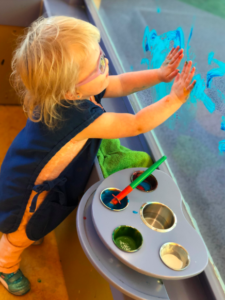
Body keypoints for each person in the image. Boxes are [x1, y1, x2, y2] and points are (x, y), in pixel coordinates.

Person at [0, 15, 196, 295]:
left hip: (23, 165)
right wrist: (175, 98)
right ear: (71, 88)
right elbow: (136, 124)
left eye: (102, 54)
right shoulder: (79, 116)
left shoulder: (68, 91)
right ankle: (4, 264)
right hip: (31, 192)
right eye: (99, 65)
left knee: (31, 226)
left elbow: (120, 83)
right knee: (19, 233)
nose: (106, 65)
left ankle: (27, 236)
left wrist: (159, 75)